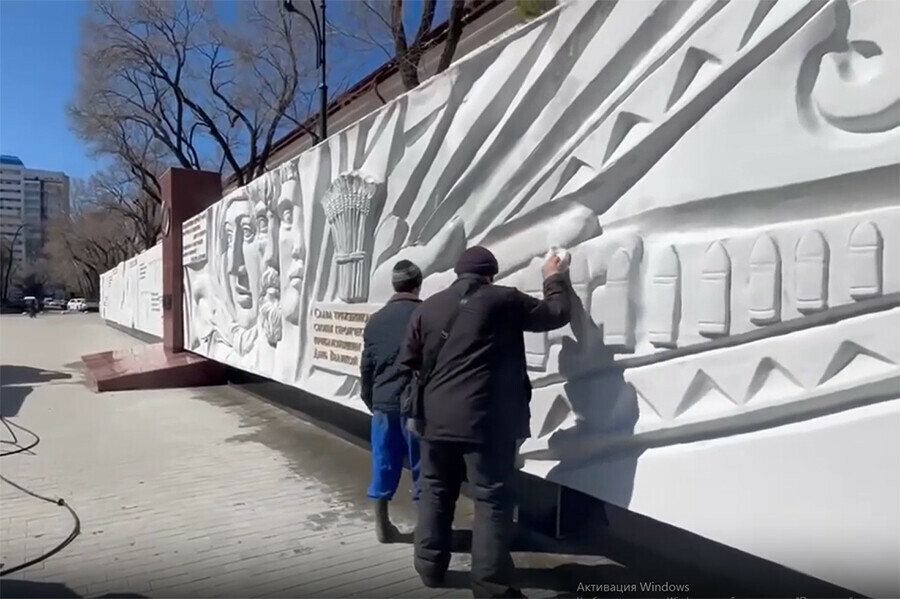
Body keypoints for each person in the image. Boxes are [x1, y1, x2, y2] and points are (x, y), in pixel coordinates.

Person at [398, 246, 571, 598]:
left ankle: (429, 568)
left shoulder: (428, 307)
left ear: (458, 274)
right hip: (486, 423)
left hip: (434, 420)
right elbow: (556, 313)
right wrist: (552, 278)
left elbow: (409, 359)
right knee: (491, 501)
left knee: (434, 490)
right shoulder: (504, 301)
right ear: (490, 274)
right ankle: (490, 586)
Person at [360, 259, 425, 543]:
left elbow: (367, 369)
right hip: (419, 406)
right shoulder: (425, 315)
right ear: (417, 284)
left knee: (383, 463)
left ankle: (382, 526)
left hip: (384, 404)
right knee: (424, 467)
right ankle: (426, 528)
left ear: (395, 286)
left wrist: (372, 401)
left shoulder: (376, 320)